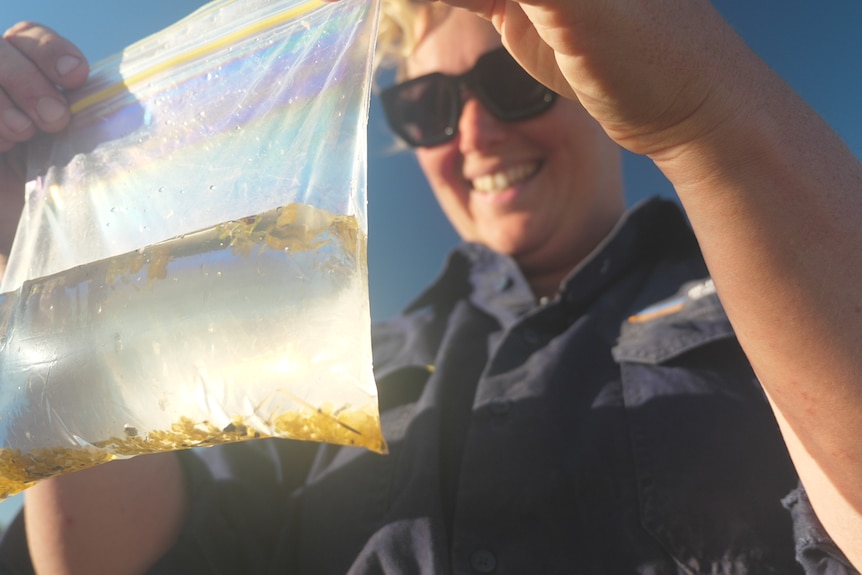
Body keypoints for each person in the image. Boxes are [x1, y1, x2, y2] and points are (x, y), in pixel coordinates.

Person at [0, 0, 861, 572]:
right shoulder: (320, 377)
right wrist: (47, 237)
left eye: (514, 82)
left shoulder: (782, 290)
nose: (477, 133)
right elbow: (118, 560)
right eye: (429, 107)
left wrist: (702, 116)